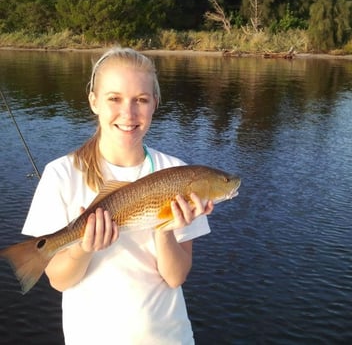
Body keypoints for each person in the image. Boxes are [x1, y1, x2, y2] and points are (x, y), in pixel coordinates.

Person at [22, 47, 213, 344]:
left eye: (141, 100)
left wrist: (164, 231)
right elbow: (60, 281)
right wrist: (83, 248)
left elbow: (176, 277)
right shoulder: (60, 174)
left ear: (155, 105)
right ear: (93, 101)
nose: (129, 113)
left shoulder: (177, 173)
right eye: (114, 98)